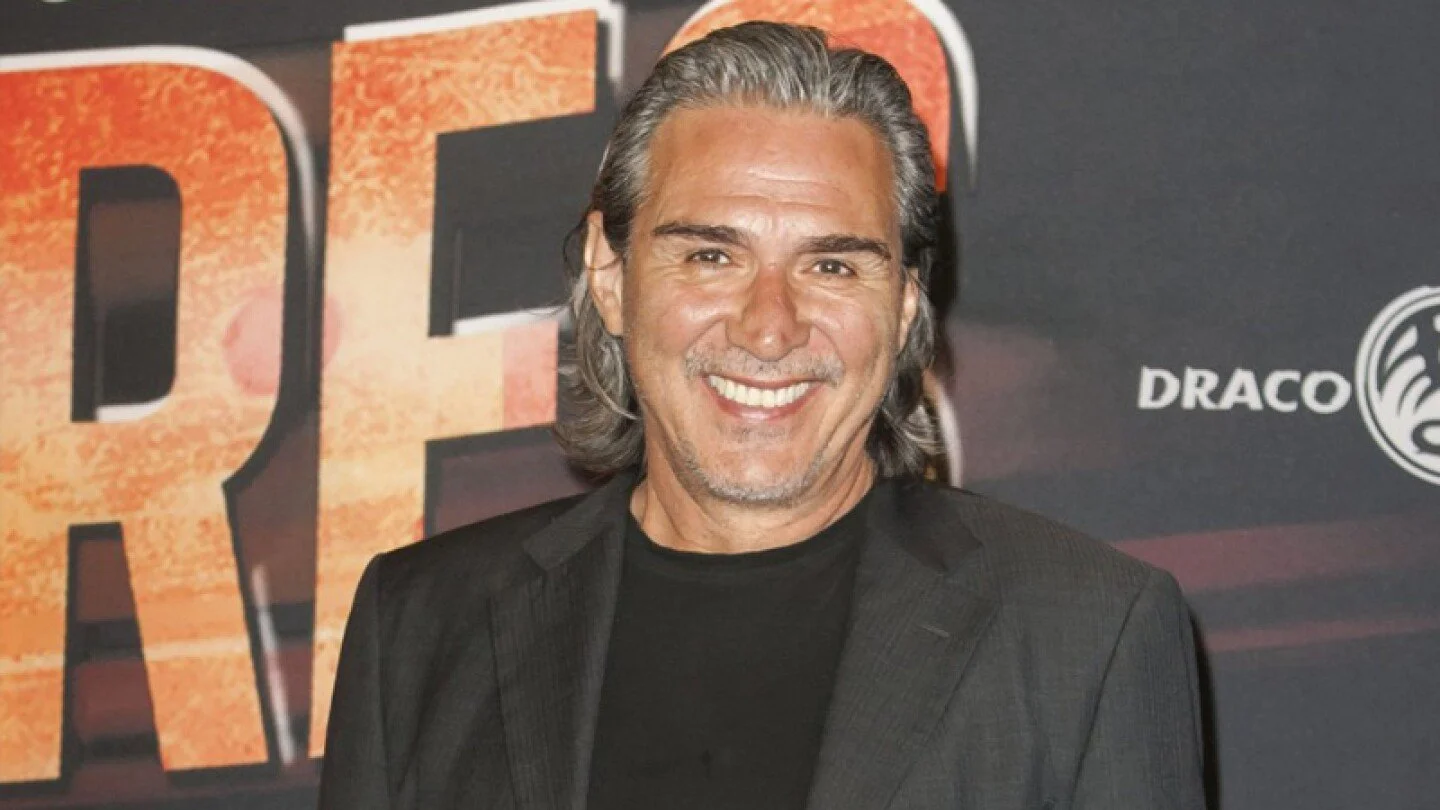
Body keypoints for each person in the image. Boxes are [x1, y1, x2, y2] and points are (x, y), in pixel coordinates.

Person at [318, 21, 1205, 810]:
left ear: (902, 307)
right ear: (610, 275)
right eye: (711, 255)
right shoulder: (422, 621)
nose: (769, 329)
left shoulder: (1085, 632)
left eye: (832, 267)